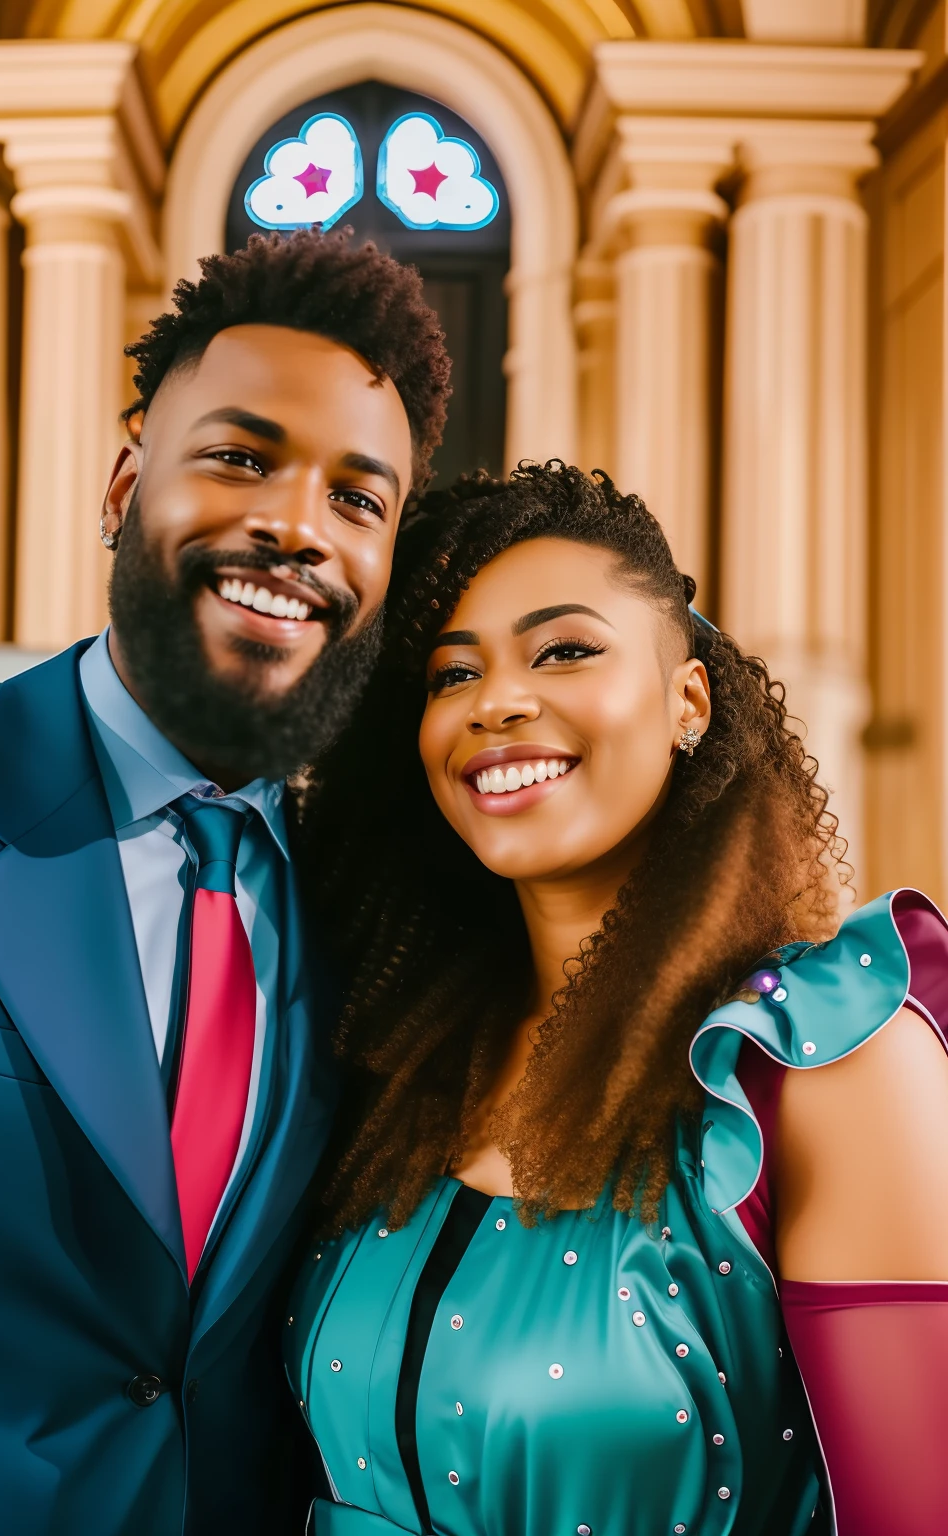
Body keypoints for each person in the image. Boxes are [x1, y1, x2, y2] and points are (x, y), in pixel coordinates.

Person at [0, 230, 451, 1536]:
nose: (295, 527)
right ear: (122, 483)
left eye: (357, 499)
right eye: (241, 456)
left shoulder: (379, 905)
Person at [287, 462, 948, 1536]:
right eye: (451, 675)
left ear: (688, 698)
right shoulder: (396, 1057)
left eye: (564, 651)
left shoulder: (826, 1064)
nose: (496, 700)